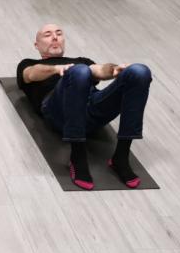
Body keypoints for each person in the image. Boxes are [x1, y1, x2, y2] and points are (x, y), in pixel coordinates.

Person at [17, 23, 152, 190]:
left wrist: (114, 69)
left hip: (91, 107)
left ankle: (121, 157)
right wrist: (56, 69)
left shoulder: (81, 61)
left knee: (140, 72)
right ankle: (77, 156)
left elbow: (99, 70)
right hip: (58, 111)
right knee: (79, 72)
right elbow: (30, 74)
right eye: (47, 34)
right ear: (37, 45)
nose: (54, 37)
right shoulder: (28, 63)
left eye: (59, 33)